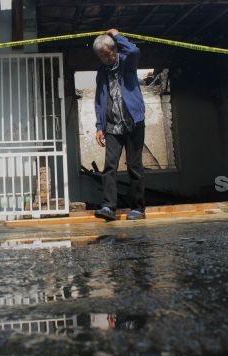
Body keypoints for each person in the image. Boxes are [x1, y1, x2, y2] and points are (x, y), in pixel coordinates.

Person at [92, 29, 146, 221]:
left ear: (114, 50)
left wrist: (117, 36)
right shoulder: (101, 72)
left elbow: (133, 51)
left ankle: (138, 209)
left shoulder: (126, 62)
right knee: (109, 167)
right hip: (112, 126)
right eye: (101, 56)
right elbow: (99, 99)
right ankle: (108, 207)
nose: (105, 58)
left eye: (107, 54)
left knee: (134, 167)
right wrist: (99, 125)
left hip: (133, 123)